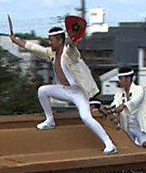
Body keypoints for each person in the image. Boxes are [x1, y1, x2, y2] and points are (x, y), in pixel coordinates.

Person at [9, 27, 118, 155]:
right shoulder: (51, 53)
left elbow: (73, 50)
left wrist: (74, 41)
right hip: (64, 90)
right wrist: (16, 40)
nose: (50, 43)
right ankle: (50, 120)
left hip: (78, 92)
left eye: (52, 40)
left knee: (86, 117)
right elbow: (33, 48)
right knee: (42, 90)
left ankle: (109, 144)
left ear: (60, 41)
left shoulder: (69, 53)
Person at [110, 67, 146, 147]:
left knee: (145, 144)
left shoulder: (139, 90)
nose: (119, 81)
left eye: (121, 79)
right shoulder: (119, 94)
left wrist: (124, 105)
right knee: (129, 146)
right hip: (126, 123)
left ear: (128, 79)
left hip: (138, 123)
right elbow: (114, 105)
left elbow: (135, 101)